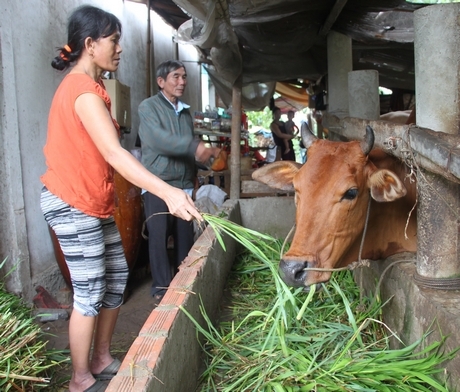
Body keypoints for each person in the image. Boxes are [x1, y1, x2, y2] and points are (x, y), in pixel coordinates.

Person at [40, 6, 202, 392]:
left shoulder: (95, 88)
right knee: (91, 290)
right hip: (71, 200)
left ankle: (100, 358)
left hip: (95, 202)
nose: (120, 49)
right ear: (90, 44)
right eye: (113, 41)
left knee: (116, 280)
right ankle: (80, 379)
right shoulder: (81, 91)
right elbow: (116, 154)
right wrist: (166, 191)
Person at [138, 60, 220, 305]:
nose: (182, 82)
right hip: (158, 184)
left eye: (184, 77)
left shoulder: (185, 112)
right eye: (176, 77)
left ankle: (184, 283)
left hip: (183, 185)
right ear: (161, 82)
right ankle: (161, 288)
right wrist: (195, 146)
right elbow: (159, 140)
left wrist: (202, 164)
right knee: (159, 237)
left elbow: (187, 148)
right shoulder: (148, 107)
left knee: (185, 237)